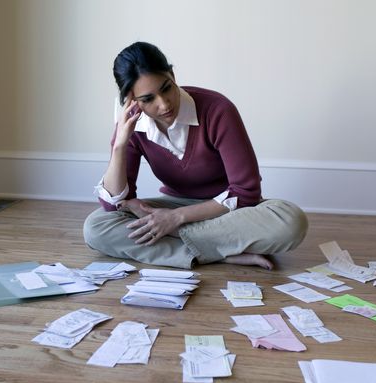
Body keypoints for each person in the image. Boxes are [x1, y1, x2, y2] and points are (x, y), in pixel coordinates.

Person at [83, 41, 308, 270]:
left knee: (289, 221)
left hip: (227, 211)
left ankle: (187, 246)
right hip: (173, 205)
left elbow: (246, 193)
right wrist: (120, 144)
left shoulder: (217, 109)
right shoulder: (132, 126)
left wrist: (176, 219)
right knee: (97, 226)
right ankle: (221, 253)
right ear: (131, 101)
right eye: (148, 99)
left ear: (172, 74)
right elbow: (114, 204)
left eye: (166, 88)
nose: (164, 104)